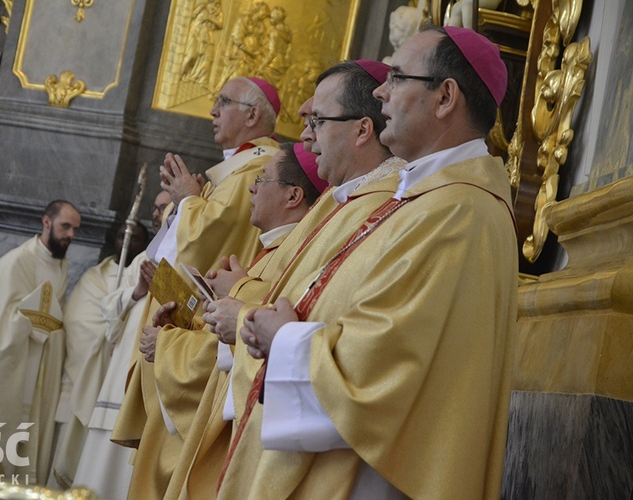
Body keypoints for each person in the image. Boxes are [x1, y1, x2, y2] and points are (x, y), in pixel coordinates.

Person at [222, 26, 517, 499]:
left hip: (372, 474)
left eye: (397, 76)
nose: (381, 89)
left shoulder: (459, 212)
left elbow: (383, 365)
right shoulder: (426, 197)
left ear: (445, 97)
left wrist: (284, 337)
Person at [111, 77, 282, 498]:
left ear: (252, 114)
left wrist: (189, 201)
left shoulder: (259, 168)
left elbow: (208, 238)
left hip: (206, 343)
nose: (212, 111)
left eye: (222, 102)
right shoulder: (236, 168)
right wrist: (188, 201)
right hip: (186, 336)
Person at [146, 142, 326, 499]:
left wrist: (167, 344)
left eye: (263, 179)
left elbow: (258, 334)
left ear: (293, 196)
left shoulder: (295, 255)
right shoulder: (276, 250)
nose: (252, 187)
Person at [0, 200, 81, 486]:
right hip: (17, 363)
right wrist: (31, 322)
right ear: (46, 222)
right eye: (65, 226)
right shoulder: (20, 260)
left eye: (75, 229)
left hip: (41, 368)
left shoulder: (60, 265)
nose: (70, 234)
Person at [67, 191, 170, 499]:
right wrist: (137, 290)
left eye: (164, 207)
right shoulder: (144, 257)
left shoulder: (186, 252)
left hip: (146, 372)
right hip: (118, 376)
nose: (156, 213)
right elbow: (109, 308)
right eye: (155, 207)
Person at [47, 221, 149, 489]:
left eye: (135, 238)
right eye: (121, 236)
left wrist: (120, 334)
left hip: (115, 383)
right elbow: (79, 321)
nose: (126, 242)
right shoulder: (96, 276)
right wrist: (108, 338)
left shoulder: (142, 269)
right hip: (88, 378)